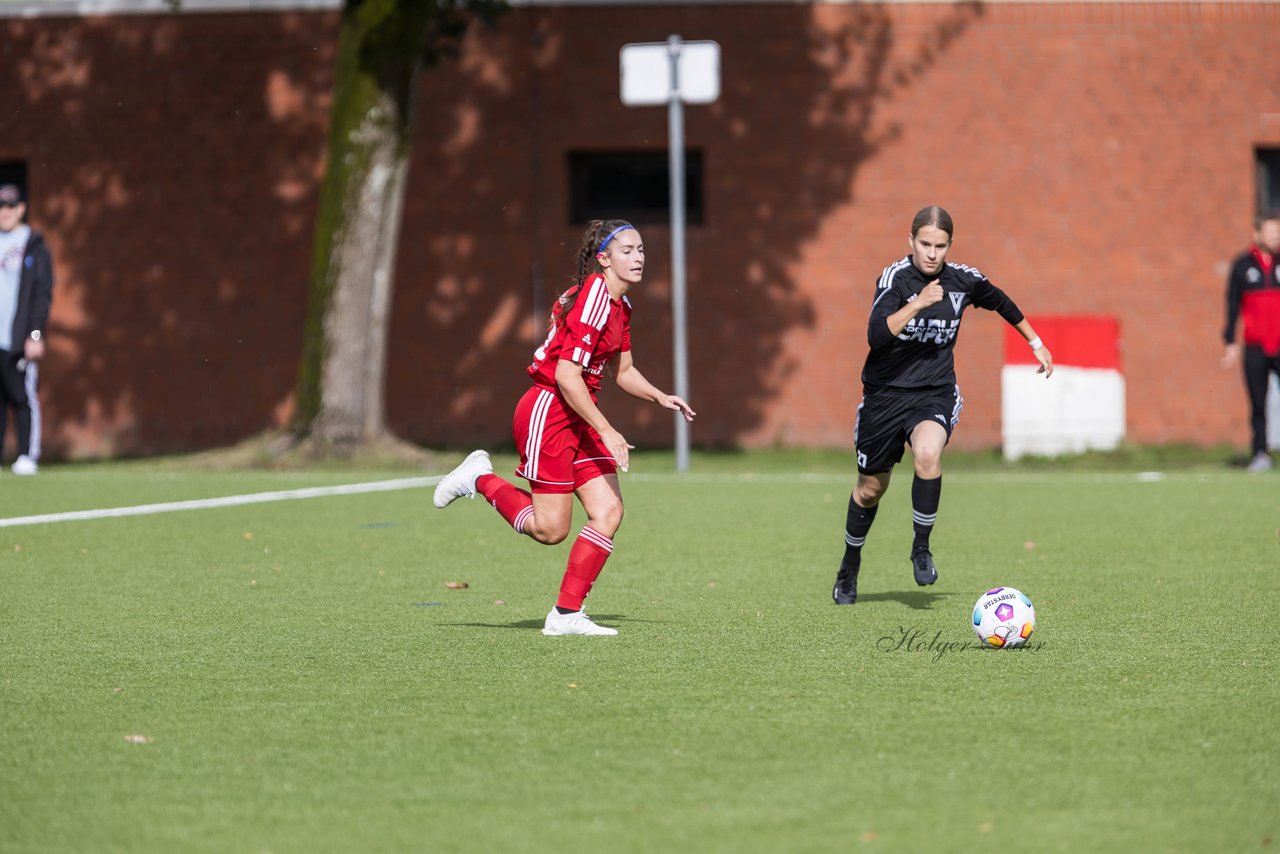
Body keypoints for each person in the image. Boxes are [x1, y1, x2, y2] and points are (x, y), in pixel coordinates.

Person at [433, 219, 695, 635]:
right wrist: (608, 430)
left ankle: (566, 616)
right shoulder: (594, 295)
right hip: (550, 410)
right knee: (550, 529)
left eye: (642, 249)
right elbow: (566, 377)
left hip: (579, 411)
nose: (639, 257)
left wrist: (660, 396)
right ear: (604, 259)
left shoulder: (620, 305)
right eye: (627, 250)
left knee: (608, 511)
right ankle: (479, 478)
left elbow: (623, 370)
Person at [832, 205, 1053, 605]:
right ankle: (849, 565)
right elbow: (876, 337)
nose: (932, 253)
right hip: (884, 396)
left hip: (934, 392)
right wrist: (917, 303)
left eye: (940, 245)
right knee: (869, 490)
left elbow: (1001, 301)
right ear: (911, 241)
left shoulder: (962, 280)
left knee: (928, 454)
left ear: (950, 245)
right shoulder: (895, 279)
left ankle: (920, 548)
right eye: (925, 244)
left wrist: (1035, 343)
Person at [1221, 210, 1280, 473]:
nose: (1276, 236)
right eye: (1271, 231)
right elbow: (1233, 305)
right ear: (1257, 234)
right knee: (1258, 403)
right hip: (1255, 346)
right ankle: (1260, 453)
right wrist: (1230, 342)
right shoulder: (1243, 266)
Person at [0, 183, 53, 477]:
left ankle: (26, 455)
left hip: (19, 339)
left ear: (21, 209)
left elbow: (42, 294)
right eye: (0, 207)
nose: (4, 212)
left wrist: (35, 335)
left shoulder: (33, 244)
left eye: (10, 206)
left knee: (22, 397)